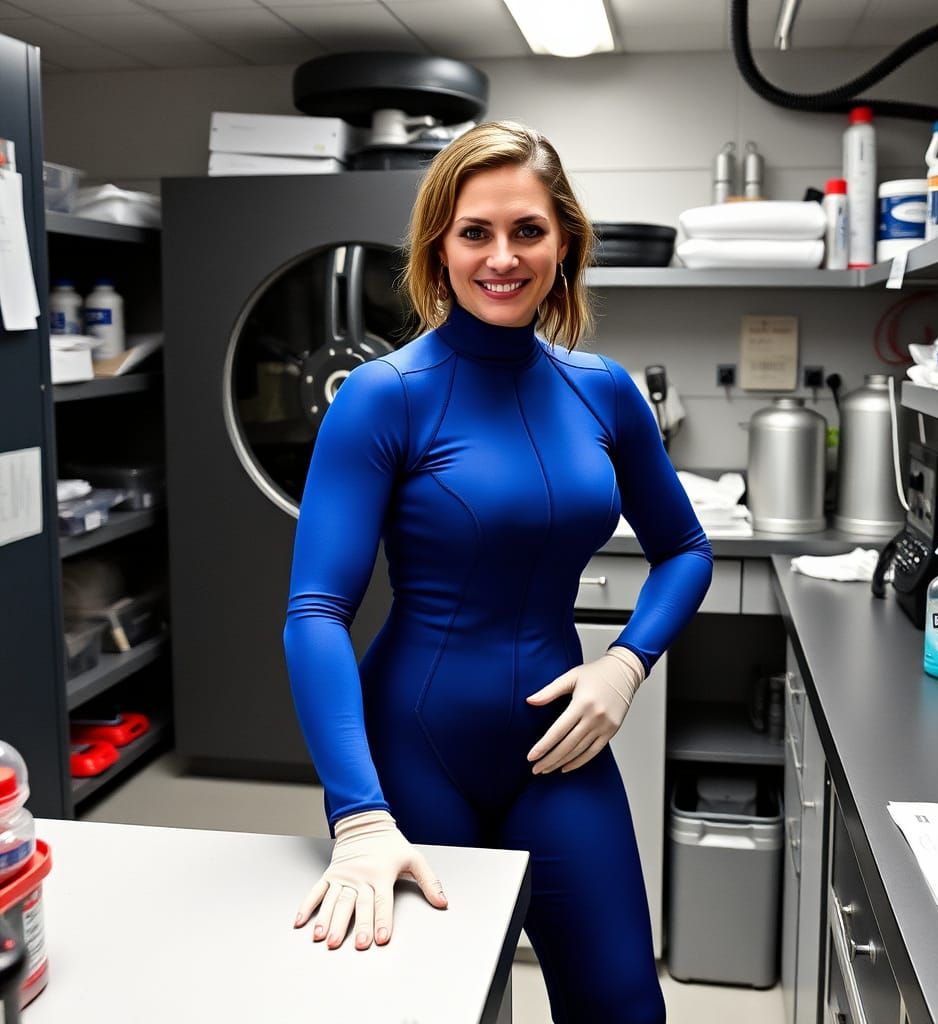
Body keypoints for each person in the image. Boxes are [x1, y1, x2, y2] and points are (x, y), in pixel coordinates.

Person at [283, 120, 713, 1024]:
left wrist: (624, 665)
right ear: (440, 247)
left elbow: (686, 549)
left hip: (562, 746)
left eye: (528, 231)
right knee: (446, 1008)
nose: (502, 258)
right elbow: (317, 611)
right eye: (476, 232)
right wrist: (359, 814)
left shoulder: (603, 390)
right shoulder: (384, 396)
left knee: (627, 1005)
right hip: (413, 752)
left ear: (565, 242)